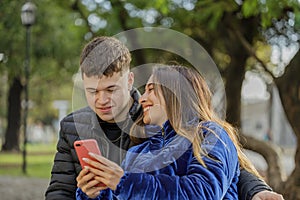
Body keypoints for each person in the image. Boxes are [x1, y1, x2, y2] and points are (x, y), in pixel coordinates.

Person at [45, 36, 283, 200]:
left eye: (110, 90)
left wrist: (256, 189)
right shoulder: (141, 146)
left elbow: (226, 171)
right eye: (92, 92)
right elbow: (61, 189)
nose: (101, 100)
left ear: (129, 82)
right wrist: (90, 193)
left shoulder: (196, 131)